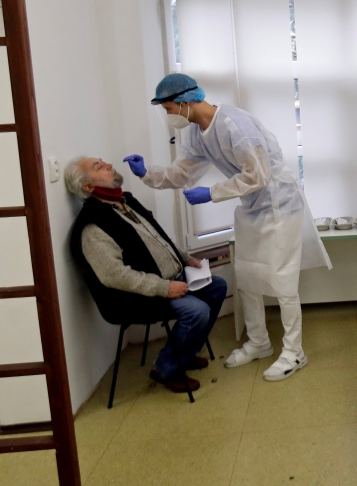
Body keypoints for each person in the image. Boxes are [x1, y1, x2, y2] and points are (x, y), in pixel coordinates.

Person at [123, 73, 331, 382]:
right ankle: (259, 342)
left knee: (282, 281)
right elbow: (181, 174)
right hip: (251, 208)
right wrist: (147, 174)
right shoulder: (196, 133)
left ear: (185, 101)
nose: (168, 116)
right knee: (246, 276)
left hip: (278, 204)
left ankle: (294, 352)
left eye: (168, 108)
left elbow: (258, 175)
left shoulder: (235, 125)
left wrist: (212, 193)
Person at [66, 156, 227, 394]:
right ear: (88, 187)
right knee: (197, 311)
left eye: (104, 162)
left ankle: (184, 354)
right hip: (138, 297)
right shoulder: (93, 226)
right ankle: (166, 368)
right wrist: (164, 288)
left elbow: (159, 239)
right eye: (99, 167)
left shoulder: (125, 201)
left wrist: (185, 258)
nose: (109, 165)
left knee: (217, 286)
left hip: (172, 280)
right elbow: (115, 276)